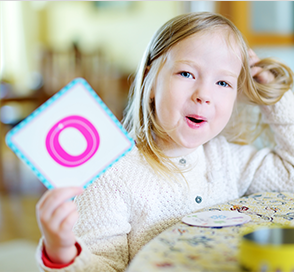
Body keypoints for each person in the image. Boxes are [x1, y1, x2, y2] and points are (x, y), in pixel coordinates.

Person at [35, 12, 294, 271]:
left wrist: (277, 99)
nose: (204, 94)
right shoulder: (111, 173)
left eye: (223, 82)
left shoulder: (230, 159)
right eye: (186, 74)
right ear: (149, 82)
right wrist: (62, 253)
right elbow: (103, 265)